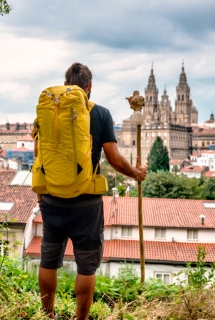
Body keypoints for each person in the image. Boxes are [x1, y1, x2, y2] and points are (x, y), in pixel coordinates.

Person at [36, 62, 147, 320]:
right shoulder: (101, 114)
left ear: (65, 85)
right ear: (89, 87)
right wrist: (136, 173)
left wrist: (40, 193)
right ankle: (81, 319)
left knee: (48, 260)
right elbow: (114, 159)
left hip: (52, 198)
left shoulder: (48, 111)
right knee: (86, 267)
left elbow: (39, 154)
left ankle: (47, 315)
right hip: (86, 203)